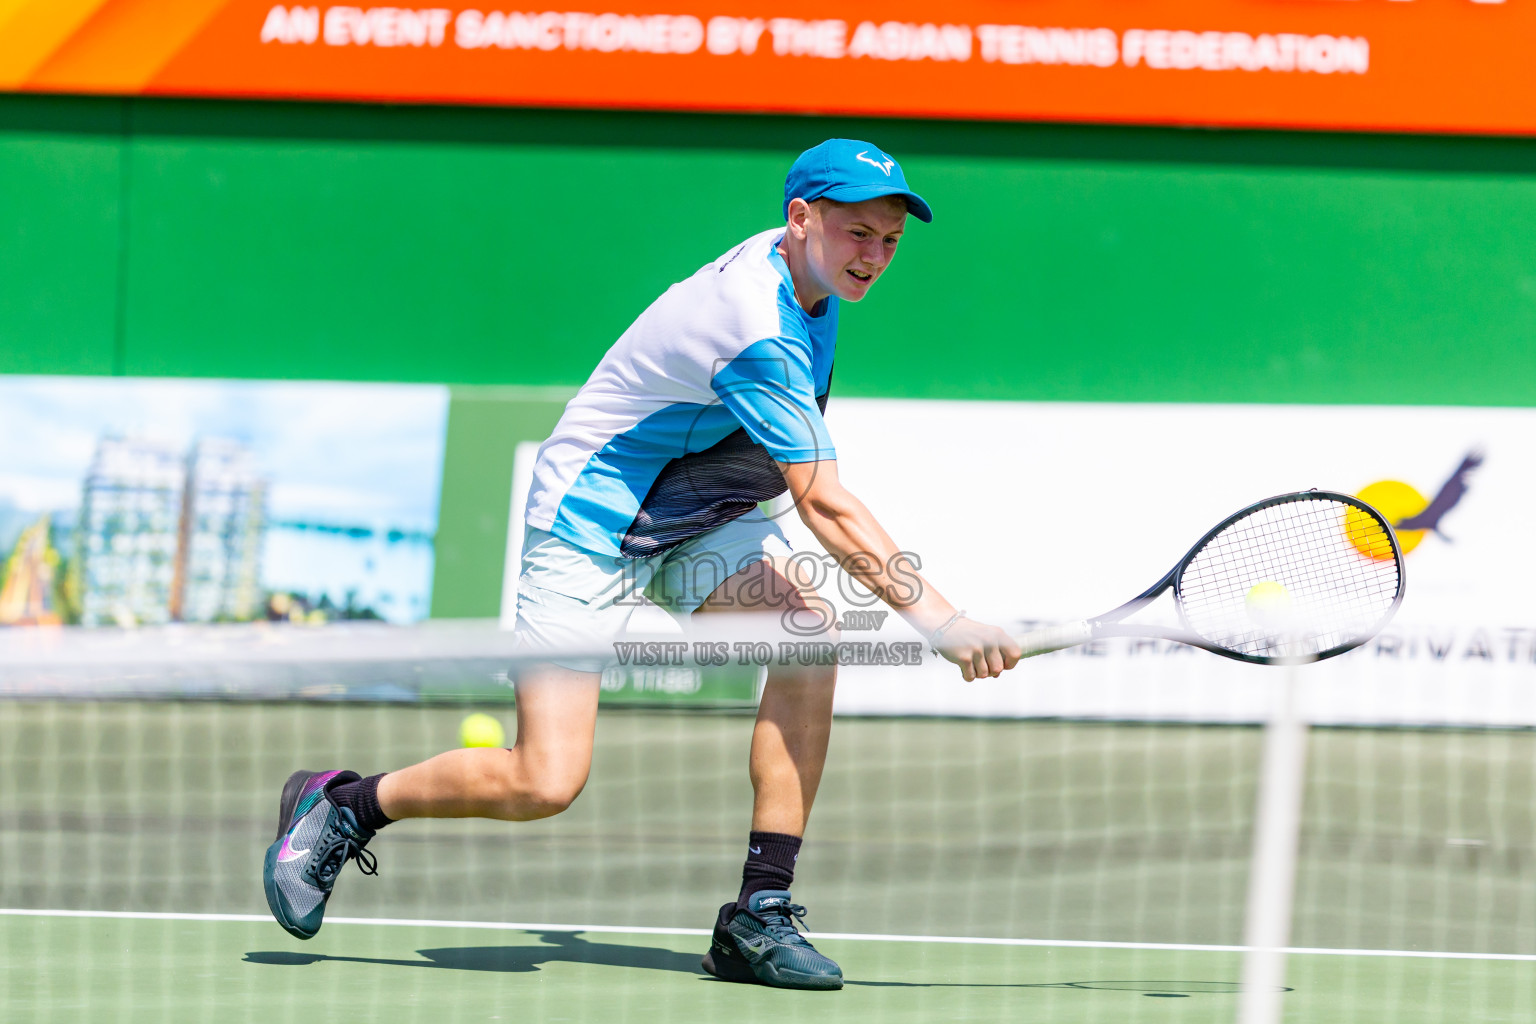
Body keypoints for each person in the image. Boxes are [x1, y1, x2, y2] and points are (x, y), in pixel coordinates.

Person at [262, 139, 1022, 990]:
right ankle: (346, 806)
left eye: (890, 240)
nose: (874, 257)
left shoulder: (813, 279)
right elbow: (825, 503)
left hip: (696, 516)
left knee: (809, 641)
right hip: (590, 523)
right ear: (801, 218)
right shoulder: (756, 322)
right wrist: (943, 621)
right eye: (858, 234)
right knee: (544, 781)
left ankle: (758, 914)